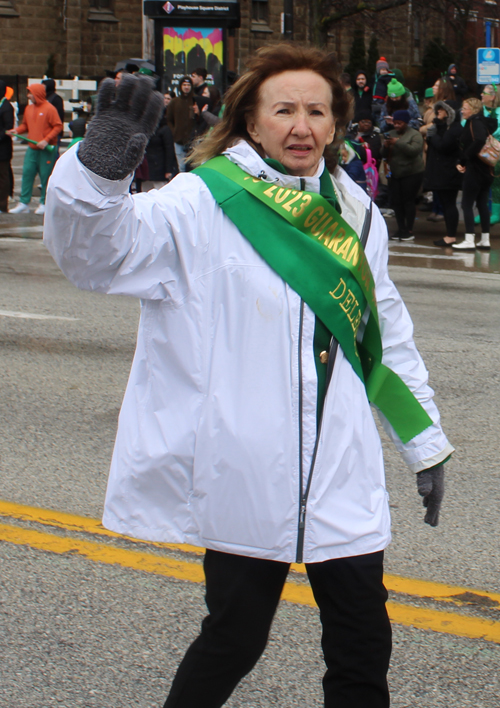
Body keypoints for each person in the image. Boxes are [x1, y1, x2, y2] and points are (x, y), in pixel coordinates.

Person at [44, 46, 453, 708]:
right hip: (245, 470)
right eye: (284, 109)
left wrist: (423, 442)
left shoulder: (355, 213)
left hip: (340, 474)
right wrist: (97, 175)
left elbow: (386, 334)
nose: (302, 126)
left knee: (363, 648)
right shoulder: (200, 202)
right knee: (234, 639)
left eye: (317, 111)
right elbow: (98, 255)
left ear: (336, 123)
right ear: (249, 122)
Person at [7, 83, 62, 215]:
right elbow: (25, 125)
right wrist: (17, 130)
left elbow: (58, 126)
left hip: (46, 150)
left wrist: (46, 140)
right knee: (27, 174)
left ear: (37, 94)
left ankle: (44, 203)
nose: (28, 95)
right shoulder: (28, 109)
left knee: (45, 177)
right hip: (32, 149)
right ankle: (24, 203)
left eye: (30, 93)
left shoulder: (50, 109)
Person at [453, 97, 495, 251]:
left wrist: (463, 160)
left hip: (475, 169)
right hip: (486, 169)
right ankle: (485, 239)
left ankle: (469, 238)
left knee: (466, 204)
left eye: (465, 108)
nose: (462, 111)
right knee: (482, 204)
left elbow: (478, 140)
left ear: (474, 109)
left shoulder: (474, 123)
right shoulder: (484, 122)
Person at [423, 101, 463, 247]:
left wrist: (436, 131)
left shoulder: (454, 128)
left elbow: (443, 146)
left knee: (449, 204)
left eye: (441, 110)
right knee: (446, 204)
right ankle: (449, 234)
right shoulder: (444, 127)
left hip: (449, 173)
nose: (438, 112)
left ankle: (451, 235)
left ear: (449, 112)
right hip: (441, 172)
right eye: (437, 109)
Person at [382, 108, 425, 240]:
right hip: (395, 173)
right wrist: (385, 146)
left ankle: (409, 229)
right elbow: (383, 155)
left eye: (400, 123)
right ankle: (400, 228)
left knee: (408, 201)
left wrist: (398, 142)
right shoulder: (391, 133)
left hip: (412, 172)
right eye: (395, 123)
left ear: (406, 122)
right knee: (397, 202)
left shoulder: (415, 135)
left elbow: (414, 150)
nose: (396, 125)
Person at [476, 84, 500, 226]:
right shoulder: (480, 111)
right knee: (481, 183)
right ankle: (482, 211)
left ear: (492, 97)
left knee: (496, 183)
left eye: (484, 93)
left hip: (496, 153)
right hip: (480, 151)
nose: (481, 95)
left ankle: (496, 213)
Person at [166, 76, 195, 172]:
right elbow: (169, 119)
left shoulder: (195, 101)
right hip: (178, 139)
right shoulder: (174, 102)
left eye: (188, 85)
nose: (186, 87)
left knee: (193, 166)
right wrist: (174, 131)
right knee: (181, 167)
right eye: (184, 85)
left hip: (193, 140)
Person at [0, 80, 15, 213]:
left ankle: (3, 205)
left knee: (3, 177)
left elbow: (8, 128)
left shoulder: (6, 107)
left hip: (3, 149)